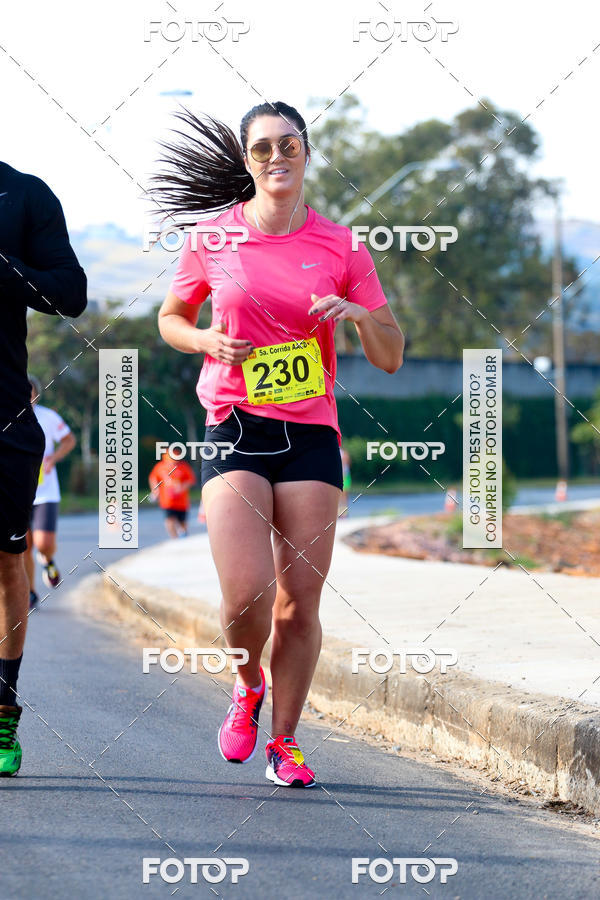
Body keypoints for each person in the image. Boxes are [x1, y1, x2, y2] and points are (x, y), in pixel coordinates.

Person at [153, 102, 404, 787]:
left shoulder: (342, 245)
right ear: (247, 160)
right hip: (236, 424)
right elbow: (171, 318)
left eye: (288, 144)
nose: (276, 157)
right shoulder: (212, 237)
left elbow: (390, 355)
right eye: (262, 147)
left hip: (311, 434)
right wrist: (205, 339)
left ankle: (284, 742)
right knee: (245, 598)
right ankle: (247, 684)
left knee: (299, 603)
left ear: (306, 153)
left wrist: (359, 315)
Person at [0, 161, 87, 776]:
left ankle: (2, 714)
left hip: (4, 418)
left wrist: (6, 270)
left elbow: (70, 293)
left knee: (9, 564)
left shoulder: (24, 195)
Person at [25, 376, 76, 608]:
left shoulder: (47, 417)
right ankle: (30, 592)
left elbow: (69, 440)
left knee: (43, 543)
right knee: (24, 546)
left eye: (29, 391)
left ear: (36, 394)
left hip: (45, 492)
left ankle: (47, 559)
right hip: (18, 492)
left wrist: (53, 458)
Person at [149, 449, 196, 538]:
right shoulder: (160, 467)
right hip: (167, 501)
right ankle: (174, 539)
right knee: (169, 520)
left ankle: (183, 535)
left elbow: (191, 480)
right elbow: (153, 478)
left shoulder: (183, 466)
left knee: (182, 522)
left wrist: (182, 487)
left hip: (182, 502)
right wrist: (155, 490)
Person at [339, 445, 352, 517]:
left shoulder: (343, 453)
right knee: (343, 495)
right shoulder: (343, 453)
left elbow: (346, 464)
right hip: (343, 475)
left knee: (343, 495)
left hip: (344, 476)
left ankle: (343, 512)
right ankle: (342, 512)